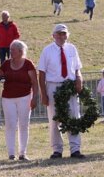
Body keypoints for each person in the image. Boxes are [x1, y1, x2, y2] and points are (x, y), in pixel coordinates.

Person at [38, 24, 85, 159]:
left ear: (67, 35)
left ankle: (75, 149)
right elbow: (41, 73)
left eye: (64, 33)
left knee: (74, 117)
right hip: (53, 86)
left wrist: (79, 78)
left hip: (69, 86)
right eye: (58, 33)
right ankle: (57, 150)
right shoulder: (47, 50)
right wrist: (43, 94)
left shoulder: (72, 49)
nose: (61, 36)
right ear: (53, 36)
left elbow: (77, 68)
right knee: (54, 119)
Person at [0, 40, 39, 161]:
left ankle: (23, 153)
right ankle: (11, 153)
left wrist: (35, 97)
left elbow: (35, 82)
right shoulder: (6, 64)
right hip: (8, 98)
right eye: (10, 50)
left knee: (24, 124)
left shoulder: (28, 64)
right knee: (10, 125)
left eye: (13, 50)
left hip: (25, 97)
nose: (10, 52)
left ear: (20, 51)